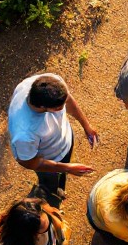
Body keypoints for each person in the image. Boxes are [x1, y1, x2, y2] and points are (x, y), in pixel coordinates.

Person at [7, 72, 99, 203]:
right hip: (49, 160)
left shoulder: (50, 82)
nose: (63, 108)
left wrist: (87, 126)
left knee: (61, 176)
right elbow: (30, 162)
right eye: (58, 108)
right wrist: (68, 168)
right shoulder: (24, 134)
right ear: (42, 107)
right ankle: (52, 197)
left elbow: (68, 101)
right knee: (50, 184)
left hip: (63, 144)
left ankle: (59, 186)